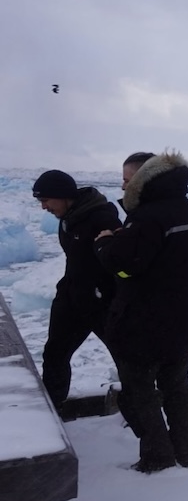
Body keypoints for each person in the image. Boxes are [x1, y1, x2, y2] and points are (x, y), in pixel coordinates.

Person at [94, 150, 188, 473]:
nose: (123, 186)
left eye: (127, 180)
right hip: (184, 321)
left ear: (144, 179)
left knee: (139, 393)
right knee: (176, 388)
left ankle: (158, 457)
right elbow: (169, 261)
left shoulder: (147, 217)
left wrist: (105, 244)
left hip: (145, 325)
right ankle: (185, 451)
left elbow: (125, 267)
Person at [31, 169, 122, 411]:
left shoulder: (103, 218)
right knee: (54, 355)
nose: (44, 207)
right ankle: (52, 410)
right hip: (72, 297)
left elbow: (119, 260)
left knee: (126, 359)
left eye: (45, 200)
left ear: (63, 195)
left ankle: (138, 417)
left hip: (103, 302)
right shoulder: (69, 219)